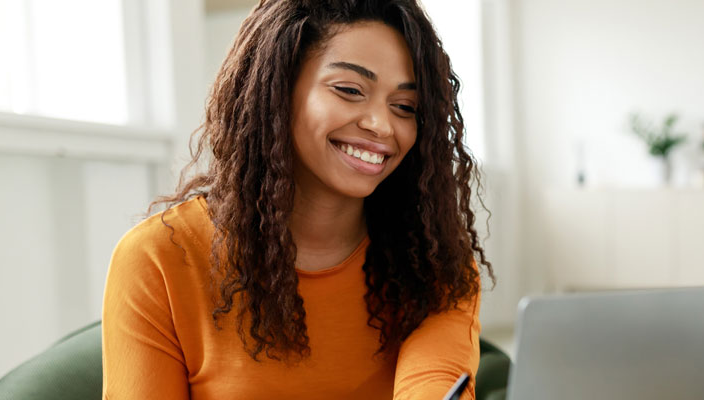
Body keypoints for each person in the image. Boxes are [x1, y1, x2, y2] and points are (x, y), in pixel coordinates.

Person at [101, 1, 491, 398]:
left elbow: (432, 386)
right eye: (349, 90)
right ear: (276, 88)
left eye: (405, 107)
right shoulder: (157, 261)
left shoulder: (433, 263)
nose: (381, 125)